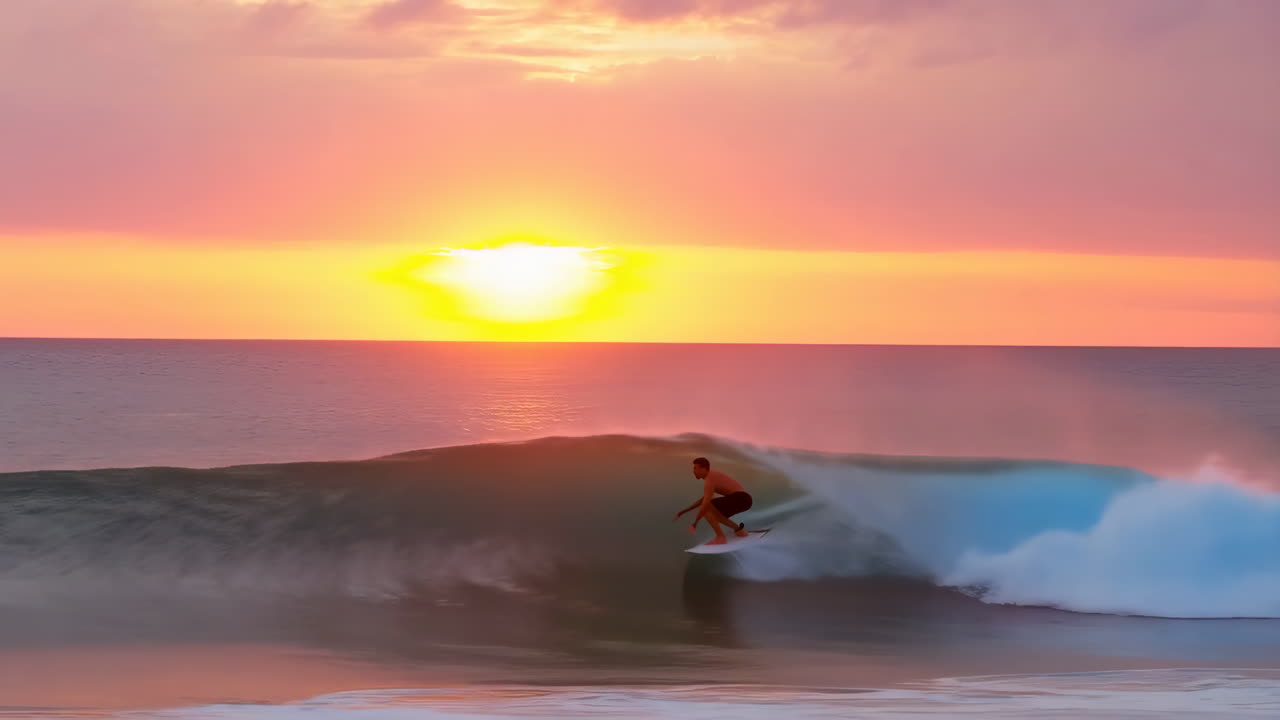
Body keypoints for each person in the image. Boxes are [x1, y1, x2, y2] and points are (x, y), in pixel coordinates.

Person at [673, 457, 752, 545]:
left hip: (740, 498)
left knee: (707, 509)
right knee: (713, 514)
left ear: (703, 468)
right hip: (745, 501)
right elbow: (703, 500)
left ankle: (720, 537)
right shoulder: (711, 477)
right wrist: (683, 512)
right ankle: (739, 531)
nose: (693, 471)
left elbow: (706, 503)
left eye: (695, 468)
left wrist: (695, 523)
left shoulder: (709, 480)